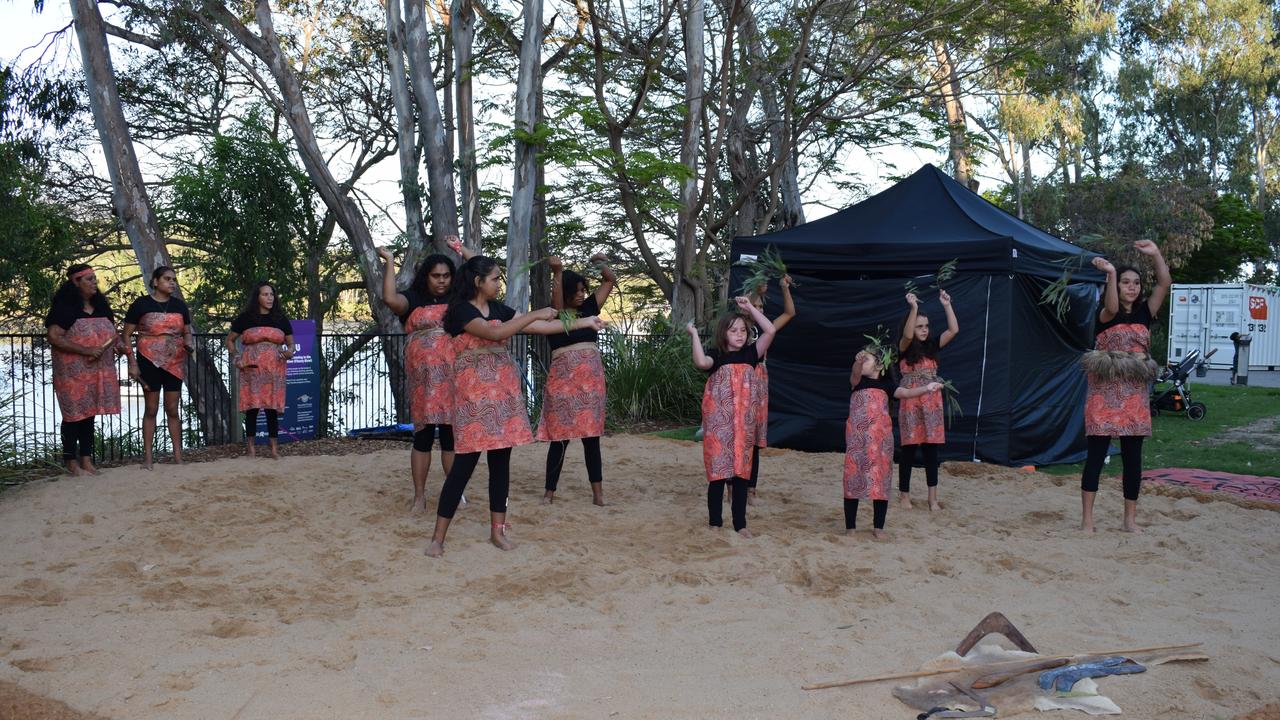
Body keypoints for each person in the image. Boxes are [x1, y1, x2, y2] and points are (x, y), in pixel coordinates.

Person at [425, 255, 606, 558]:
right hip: (473, 401)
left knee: (500, 465)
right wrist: (535, 313)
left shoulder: (498, 308)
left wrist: (584, 321)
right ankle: (438, 537)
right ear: (477, 282)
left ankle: (499, 531)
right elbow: (496, 332)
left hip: (503, 397)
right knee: (462, 468)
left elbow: (542, 328)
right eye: (495, 278)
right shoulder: (460, 310)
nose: (499, 283)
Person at [1079, 241, 1171, 533]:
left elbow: (1165, 283)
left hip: (1134, 397)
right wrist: (1109, 273)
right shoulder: (1106, 313)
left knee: (1133, 460)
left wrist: (1156, 254)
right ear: (1116, 286)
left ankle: (1129, 520)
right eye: (1125, 282)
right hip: (1104, 395)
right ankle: (1087, 521)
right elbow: (1112, 306)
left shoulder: (1146, 312)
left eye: (1136, 283)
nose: (1132, 287)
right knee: (1096, 457)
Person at [379, 245, 461, 512]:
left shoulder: (460, 299)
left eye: (446, 275)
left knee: (450, 436)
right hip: (423, 379)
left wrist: (464, 251)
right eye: (436, 275)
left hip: (453, 377)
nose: (441, 280)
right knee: (423, 437)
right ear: (426, 276)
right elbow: (390, 299)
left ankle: (455, 493)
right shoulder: (413, 298)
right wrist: (390, 261)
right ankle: (419, 496)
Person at [686, 298, 776, 538]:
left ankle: (740, 524)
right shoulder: (717, 356)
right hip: (720, 424)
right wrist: (693, 334)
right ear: (723, 333)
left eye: (743, 330)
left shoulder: (751, 354)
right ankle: (715, 522)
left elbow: (771, 330)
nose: (739, 334)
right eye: (733, 330)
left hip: (743, 425)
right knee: (718, 472)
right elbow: (700, 361)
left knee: (740, 473)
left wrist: (750, 310)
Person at [538, 254, 616, 506]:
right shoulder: (556, 316)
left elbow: (609, 280)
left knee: (591, 438)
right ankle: (549, 493)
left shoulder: (591, 309)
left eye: (584, 290)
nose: (582, 294)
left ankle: (598, 494)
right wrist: (558, 273)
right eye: (577, 290)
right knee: (559, 439)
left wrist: (601, 262)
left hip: (590, 384)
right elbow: (558, 302)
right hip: (563, 384)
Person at [844, 348, 942, 539]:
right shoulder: (857, 382)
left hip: (880, 442)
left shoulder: (887, 385)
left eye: (868, 359)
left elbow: (905, 392)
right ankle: (850, 528)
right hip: (857, 442)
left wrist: (927, 388)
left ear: (880, 365)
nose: (863, 362)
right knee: (852, 480)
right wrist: (858, 360)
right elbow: (855, 372)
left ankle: (878, 528)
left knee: (881, 481)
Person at [44, 264, 124, 476]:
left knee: (89, 415)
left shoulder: (101, 308)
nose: (93, 282)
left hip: (97, 372)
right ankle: (71, 460)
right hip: (72, 374)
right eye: (88, 279)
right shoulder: (65, 310)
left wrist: (119, 347)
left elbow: (112, 336)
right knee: (73, 416)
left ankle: (87, 460)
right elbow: (54, 337)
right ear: (75, 282)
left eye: (94, 279)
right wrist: (85, 350)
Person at [123, 266, 195, 470]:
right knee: (151, 409)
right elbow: (126, 335)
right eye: (167, 279)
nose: (172, 282)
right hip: (148, 360)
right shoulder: (141, 304)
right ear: (155, 281)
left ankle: (178, 456)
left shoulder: (180, 306)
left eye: (174, 279)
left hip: (175, 361)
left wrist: (189, 342)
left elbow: (187, 332)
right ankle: (148, 458)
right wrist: (132, 363)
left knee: (173, 409)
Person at [896, 289, 959, 511]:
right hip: (912, 402)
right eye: (919, 326)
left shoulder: (932, 346)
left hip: (931, 402)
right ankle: (904, 495)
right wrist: (913, 307)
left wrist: (946, 304)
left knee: (932, 451)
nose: (924, 330)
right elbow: (905, 336)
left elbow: (953, 329)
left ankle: (932, 498)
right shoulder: (904, 348)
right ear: (912, 326)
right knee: (909, 450)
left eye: (926, 326)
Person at [226, 281, 294, 459]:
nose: (269, 298)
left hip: (274, 369)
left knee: (272, 409)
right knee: (252, 409)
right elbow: (230, 340)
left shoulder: (280, 319)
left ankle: (273, 450)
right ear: (257, 297)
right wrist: (236, 357)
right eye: (265, 294)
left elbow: (291, 344)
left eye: (271, 295)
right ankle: (251, 449)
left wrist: (289, 352)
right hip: (251, 369)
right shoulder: (245, 318)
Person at [745, 275, 796, 505]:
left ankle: (751, 489)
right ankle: (730, 485)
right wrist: (756, 292)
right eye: (754, 306)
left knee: (754, 437)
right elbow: (745, 303)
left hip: (759, 380)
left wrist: (784, 289)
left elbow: (789, 313)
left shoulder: (766, 329)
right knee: (739, 433)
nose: (758, 309)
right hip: (742, 378)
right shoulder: (739, 326)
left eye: (761, 307)